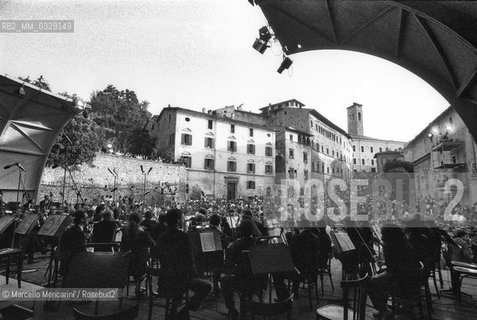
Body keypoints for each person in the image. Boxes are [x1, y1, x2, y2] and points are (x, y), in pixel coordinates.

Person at [156, 209, 212, 313]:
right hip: (180, 281)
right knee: (207, 286)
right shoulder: (183, 236)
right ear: (178, 221)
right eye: (182, 218)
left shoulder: (161, 237)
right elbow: (189, 260)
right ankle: (183, 311)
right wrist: (195, 276)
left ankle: (175, 307)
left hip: (164, 280)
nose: (183, 220)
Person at [368, 224, 420, 320]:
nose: (382, 237)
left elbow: (392, 270)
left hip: (403, 282)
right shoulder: (403, 243)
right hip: (412, 278)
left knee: (371, 282)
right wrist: (385, 262)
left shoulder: (390, 246)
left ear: (390, 235)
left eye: (384, 234)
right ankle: (383, 308)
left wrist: (377, 275)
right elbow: (398, 263)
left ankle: (383, 310)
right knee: (379, 276)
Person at [220, 220, 267, 320]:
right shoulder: (259, 243)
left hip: (242, 281)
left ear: (240, 231)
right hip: (259, 280)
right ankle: (248, 306)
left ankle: (232, 309)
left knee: (224, 280)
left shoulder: (236, 245)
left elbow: (229, 264)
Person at [120, 213, 156, 295]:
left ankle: (137, 288)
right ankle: (141, 288)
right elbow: (153, 244)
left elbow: (123, 246)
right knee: (146, 262)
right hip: (140, 265)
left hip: (127, 264)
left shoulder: (125, 233)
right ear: (139, 221)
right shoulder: (142, 233)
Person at [60, 211, 88, 276]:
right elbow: (80, 250)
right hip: (75, 260)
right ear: (82, 219)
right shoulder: (79, 232)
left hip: (67, 260)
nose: (88, 219)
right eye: (86, 217)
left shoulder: (70, 230)